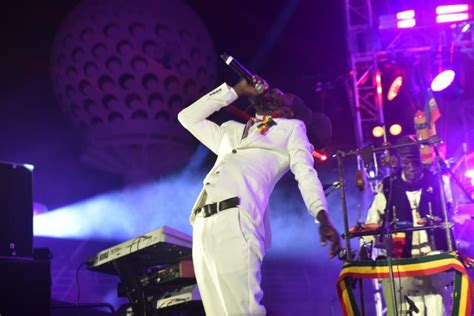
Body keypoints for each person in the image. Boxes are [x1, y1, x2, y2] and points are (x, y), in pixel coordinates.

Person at [177, 76, 340, 315]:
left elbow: (305, 174)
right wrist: (235, 90)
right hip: (203, 222)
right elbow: (187, 118)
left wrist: (321, 215)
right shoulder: (232, 132)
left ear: (288, 110)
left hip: (236, 220)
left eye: (284, 94)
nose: (275, 91)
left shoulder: (292, 129)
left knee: (244, 310)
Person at [362, 136, 452, 315]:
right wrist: (366, 247)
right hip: (404, 263)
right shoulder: (389, 186)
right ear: (400, 162)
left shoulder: (436, 181)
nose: (411, 168)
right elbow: (372, 221)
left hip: (434, 259)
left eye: (414, 162)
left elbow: (450, 211)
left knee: (439, 308)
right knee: (409, 310)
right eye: (406, 162)